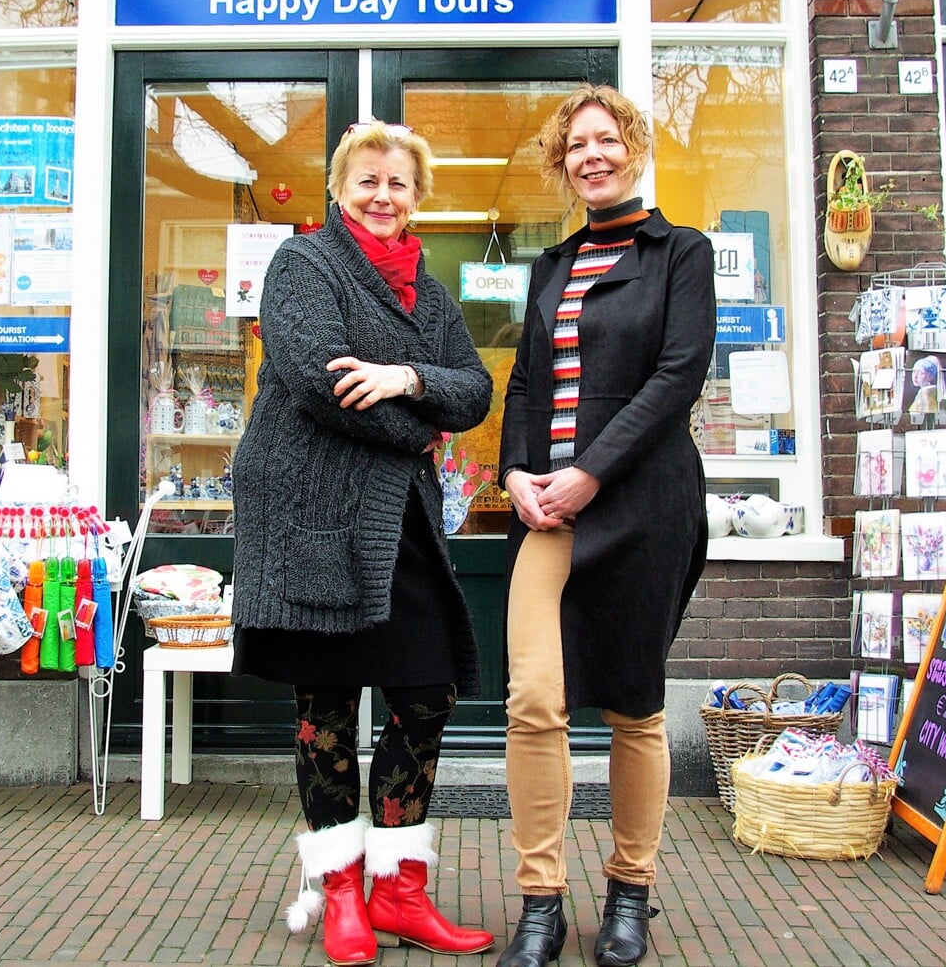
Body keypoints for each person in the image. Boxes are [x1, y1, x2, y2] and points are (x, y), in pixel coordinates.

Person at [231, 120, 496, 967]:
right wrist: (417, 431)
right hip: (313, 508)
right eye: (368, 181)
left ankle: (400, 889)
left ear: (418, 197)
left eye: (400, 184)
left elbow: (476, 389)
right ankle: (341, 889)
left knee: (428, 691)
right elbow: (317, 376)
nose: (384, 196)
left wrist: (410, 378)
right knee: (328, 706)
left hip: (399, 519)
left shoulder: (429, 290)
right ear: (341, 188)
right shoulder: (305, 265)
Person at [495, 85, 715, 967]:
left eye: (605, 139)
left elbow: (677, 377)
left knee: (634, 708)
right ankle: (541, 901)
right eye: (574, 146)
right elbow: (523, 385)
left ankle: (631, 890)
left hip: (643, 508)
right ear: (562, 163)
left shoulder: (681, 254)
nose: (591, 155)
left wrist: (588, 473)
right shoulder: (550, 267)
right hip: (547, 515)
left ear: (632, 147)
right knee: (534, 699)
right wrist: (516, 472)